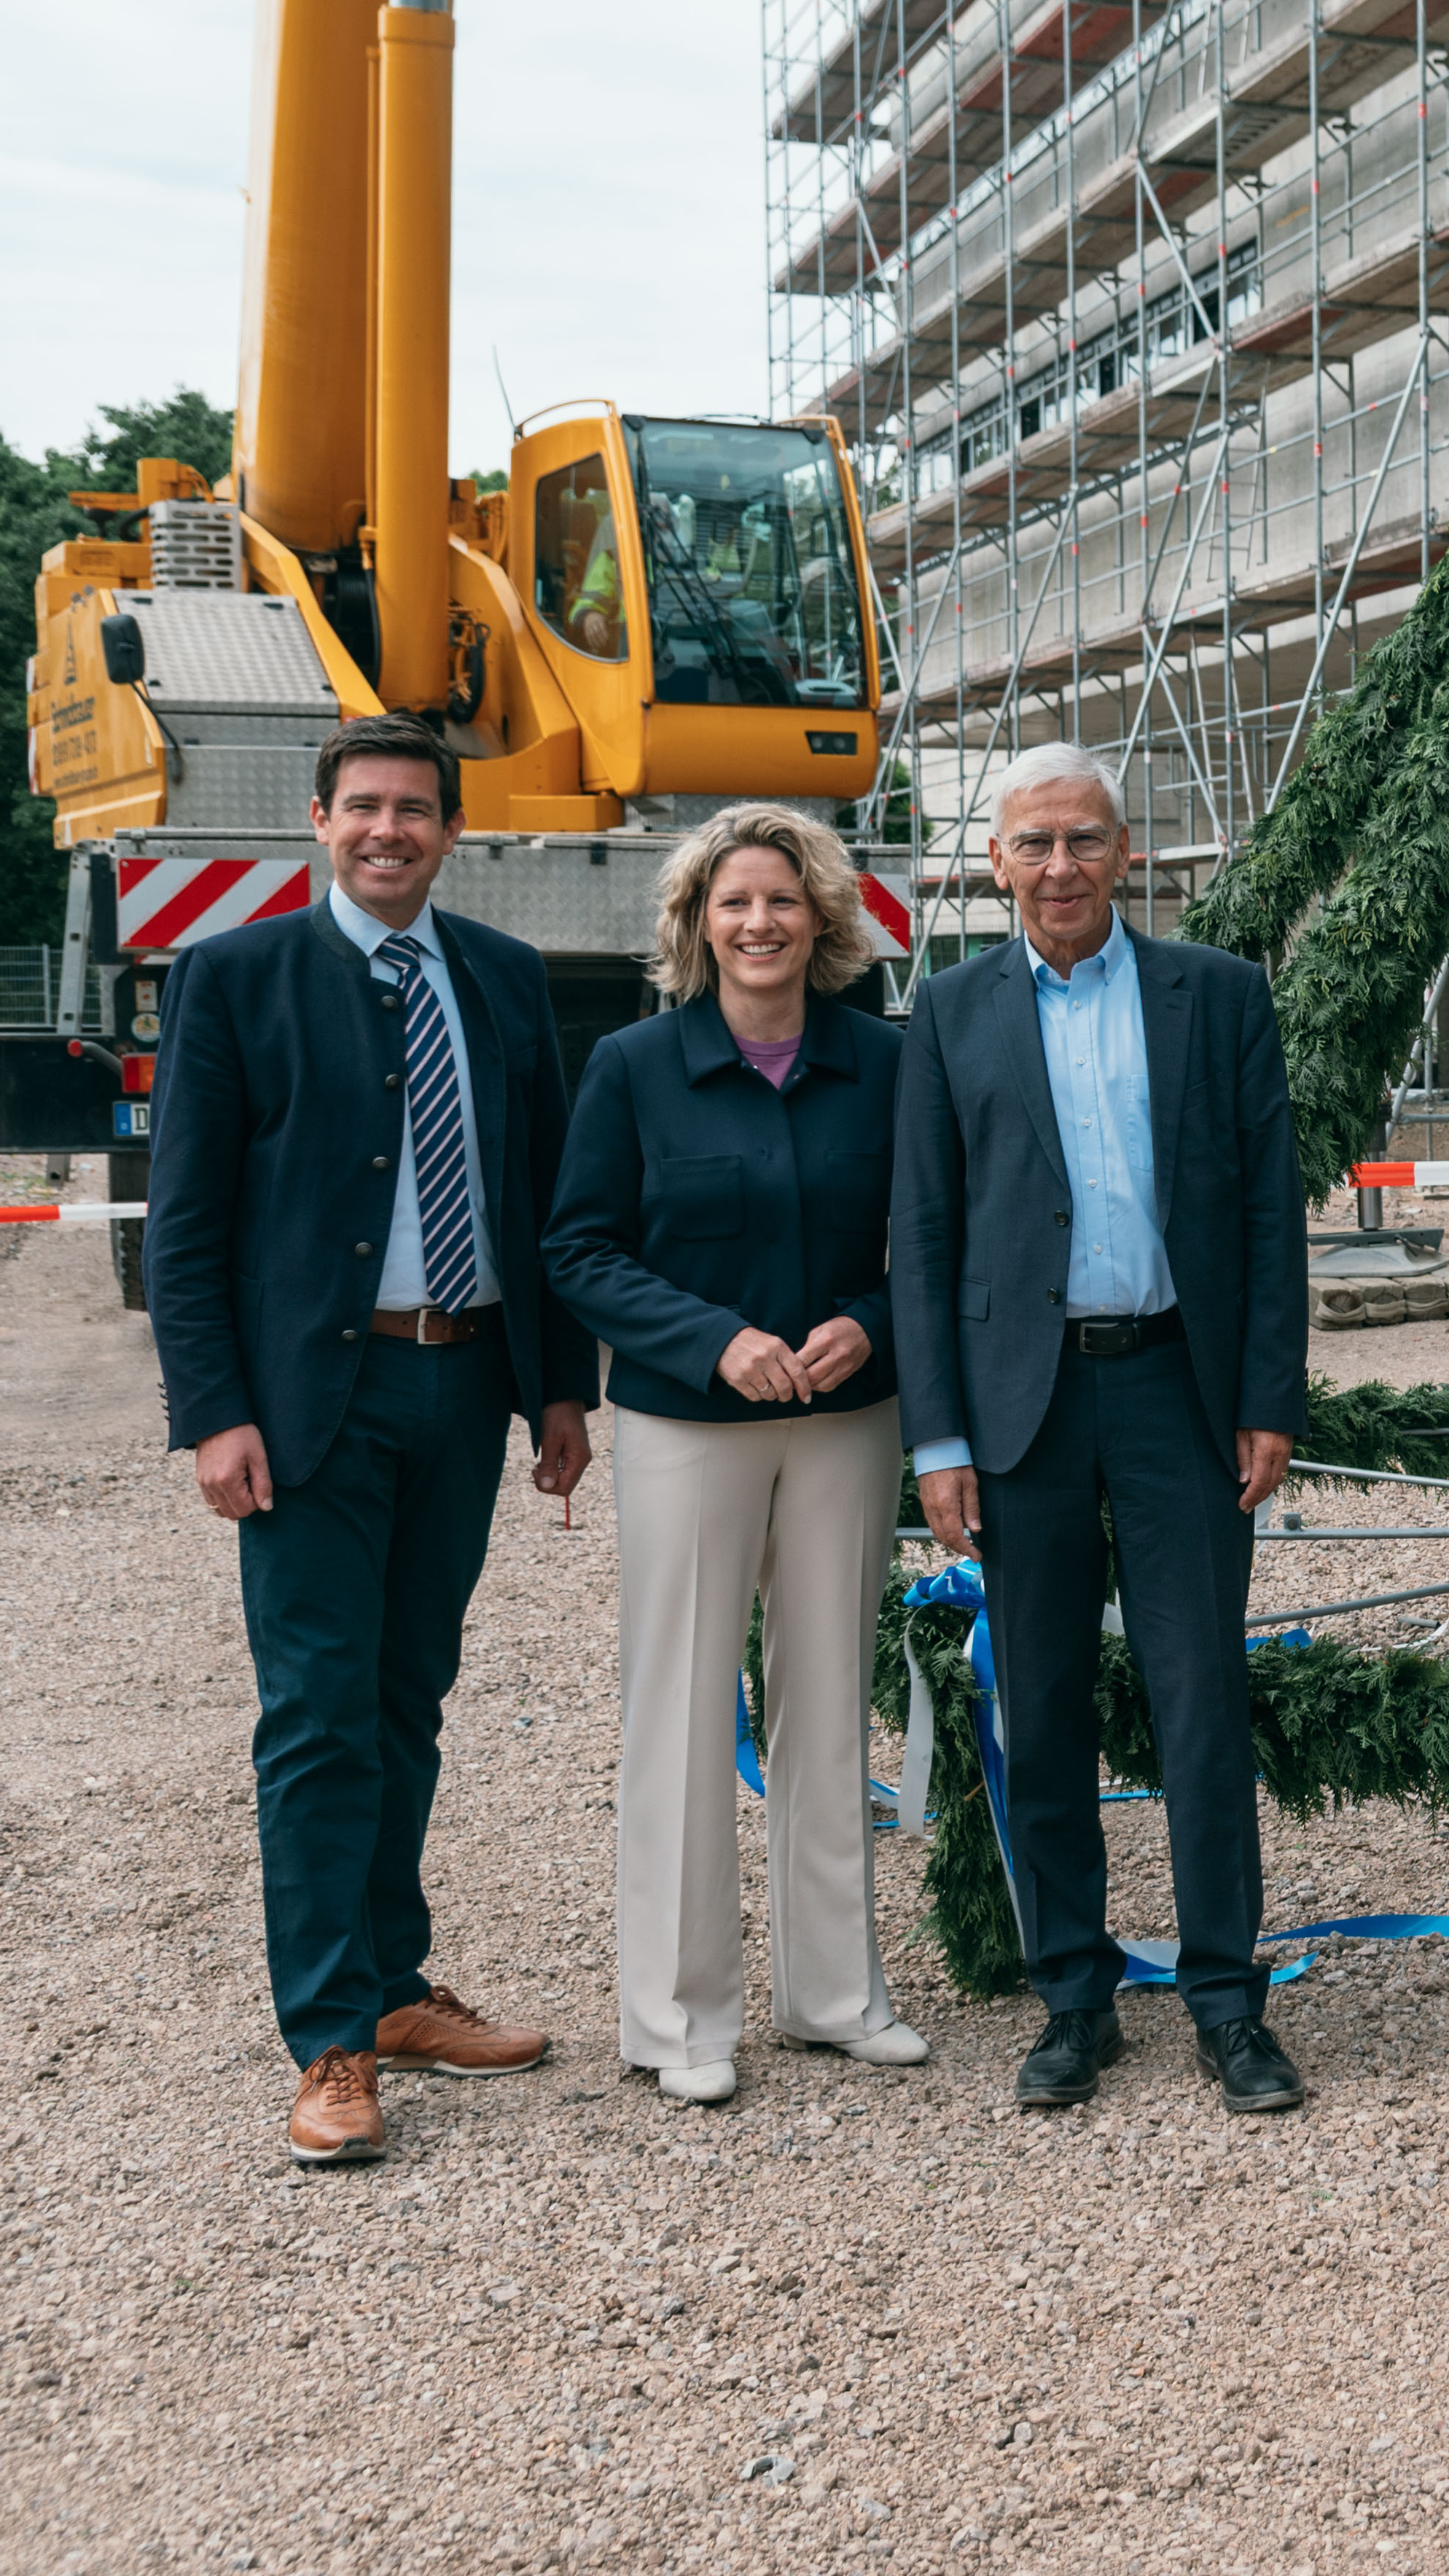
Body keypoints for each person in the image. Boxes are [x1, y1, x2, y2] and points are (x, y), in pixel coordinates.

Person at [145, 712, 595, 2166]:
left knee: (409, 1696)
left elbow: (540, 1203)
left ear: (452, 832)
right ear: (320, 820)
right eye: (366, 807)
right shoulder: (235, 977)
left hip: (461, 1390)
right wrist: (212, 1409)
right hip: (307, 1409)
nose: (391, 830)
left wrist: (562, 1391)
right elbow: (187, 1222)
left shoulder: (506, 980)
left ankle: (398, 1988)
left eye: (417, 810)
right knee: (320, 1714)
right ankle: (331, 2035)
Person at [894, 742, 1310, 2114]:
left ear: (1126, 855)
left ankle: (1226, 2002)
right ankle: (1072, 1996)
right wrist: (938, 1440)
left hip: (1178, 1393)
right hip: (1026, 1405)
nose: (1059, 867)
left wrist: (1265, 1399)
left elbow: (1264, 1215)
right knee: (1046, 1702)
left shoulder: (1220, 997)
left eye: (1083, 841)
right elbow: (925, 1236)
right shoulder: (948, 1014)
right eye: (1033, 844)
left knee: (1201, 1700)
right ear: (996, 862)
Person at [543, 807, 930, 2106]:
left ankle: (834, 1996)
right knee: (685, 1710)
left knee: (828, 1705)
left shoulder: (887, 1063)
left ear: (823, 919)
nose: (757, 923)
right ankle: (677, 2020)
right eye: (732, 903)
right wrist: (713, 1342)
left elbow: (932, 1242)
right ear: (695, 925)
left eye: (782, 899)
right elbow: (580, 1250)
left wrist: (867, 1327)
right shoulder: (633, 1066)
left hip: (844, 1423)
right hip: (686, 1426)